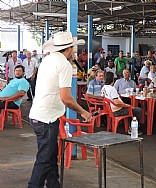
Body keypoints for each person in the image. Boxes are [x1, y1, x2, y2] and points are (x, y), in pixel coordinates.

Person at [28, 32, 92, 188]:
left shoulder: (47, 59)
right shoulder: (64, 64)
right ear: (69, 49)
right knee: (44, 159)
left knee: (50, 156)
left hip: (38, 115)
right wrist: (83, 111)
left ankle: (53, 185)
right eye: (73, 49)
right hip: (47, 119)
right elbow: (66, 98)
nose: (74, 52)